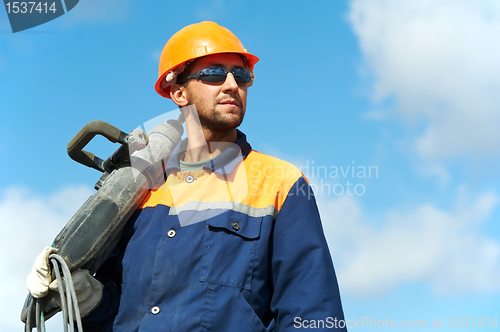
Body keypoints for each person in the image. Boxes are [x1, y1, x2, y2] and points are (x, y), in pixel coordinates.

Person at [27, 21, 347, 331]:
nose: (232, 84)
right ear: (178, 92)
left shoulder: (280, 183)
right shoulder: (138, 188)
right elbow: (118, 310)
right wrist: (88, 297)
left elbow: (313, 312)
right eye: (214, 73)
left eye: (241, 74)